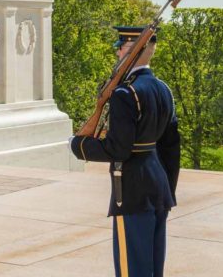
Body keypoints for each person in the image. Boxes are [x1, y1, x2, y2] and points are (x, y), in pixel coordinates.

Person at [69, 26, 181, 277]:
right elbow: (171, 147)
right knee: (152, 267)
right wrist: (167, 190)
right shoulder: (164, 90)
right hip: (158, 187)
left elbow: (117, 149)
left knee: (132, 269)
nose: (118, 53)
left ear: (130, 51)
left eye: (121, 48)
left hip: (131, 190)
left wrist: (79, 146)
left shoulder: (125, 93)